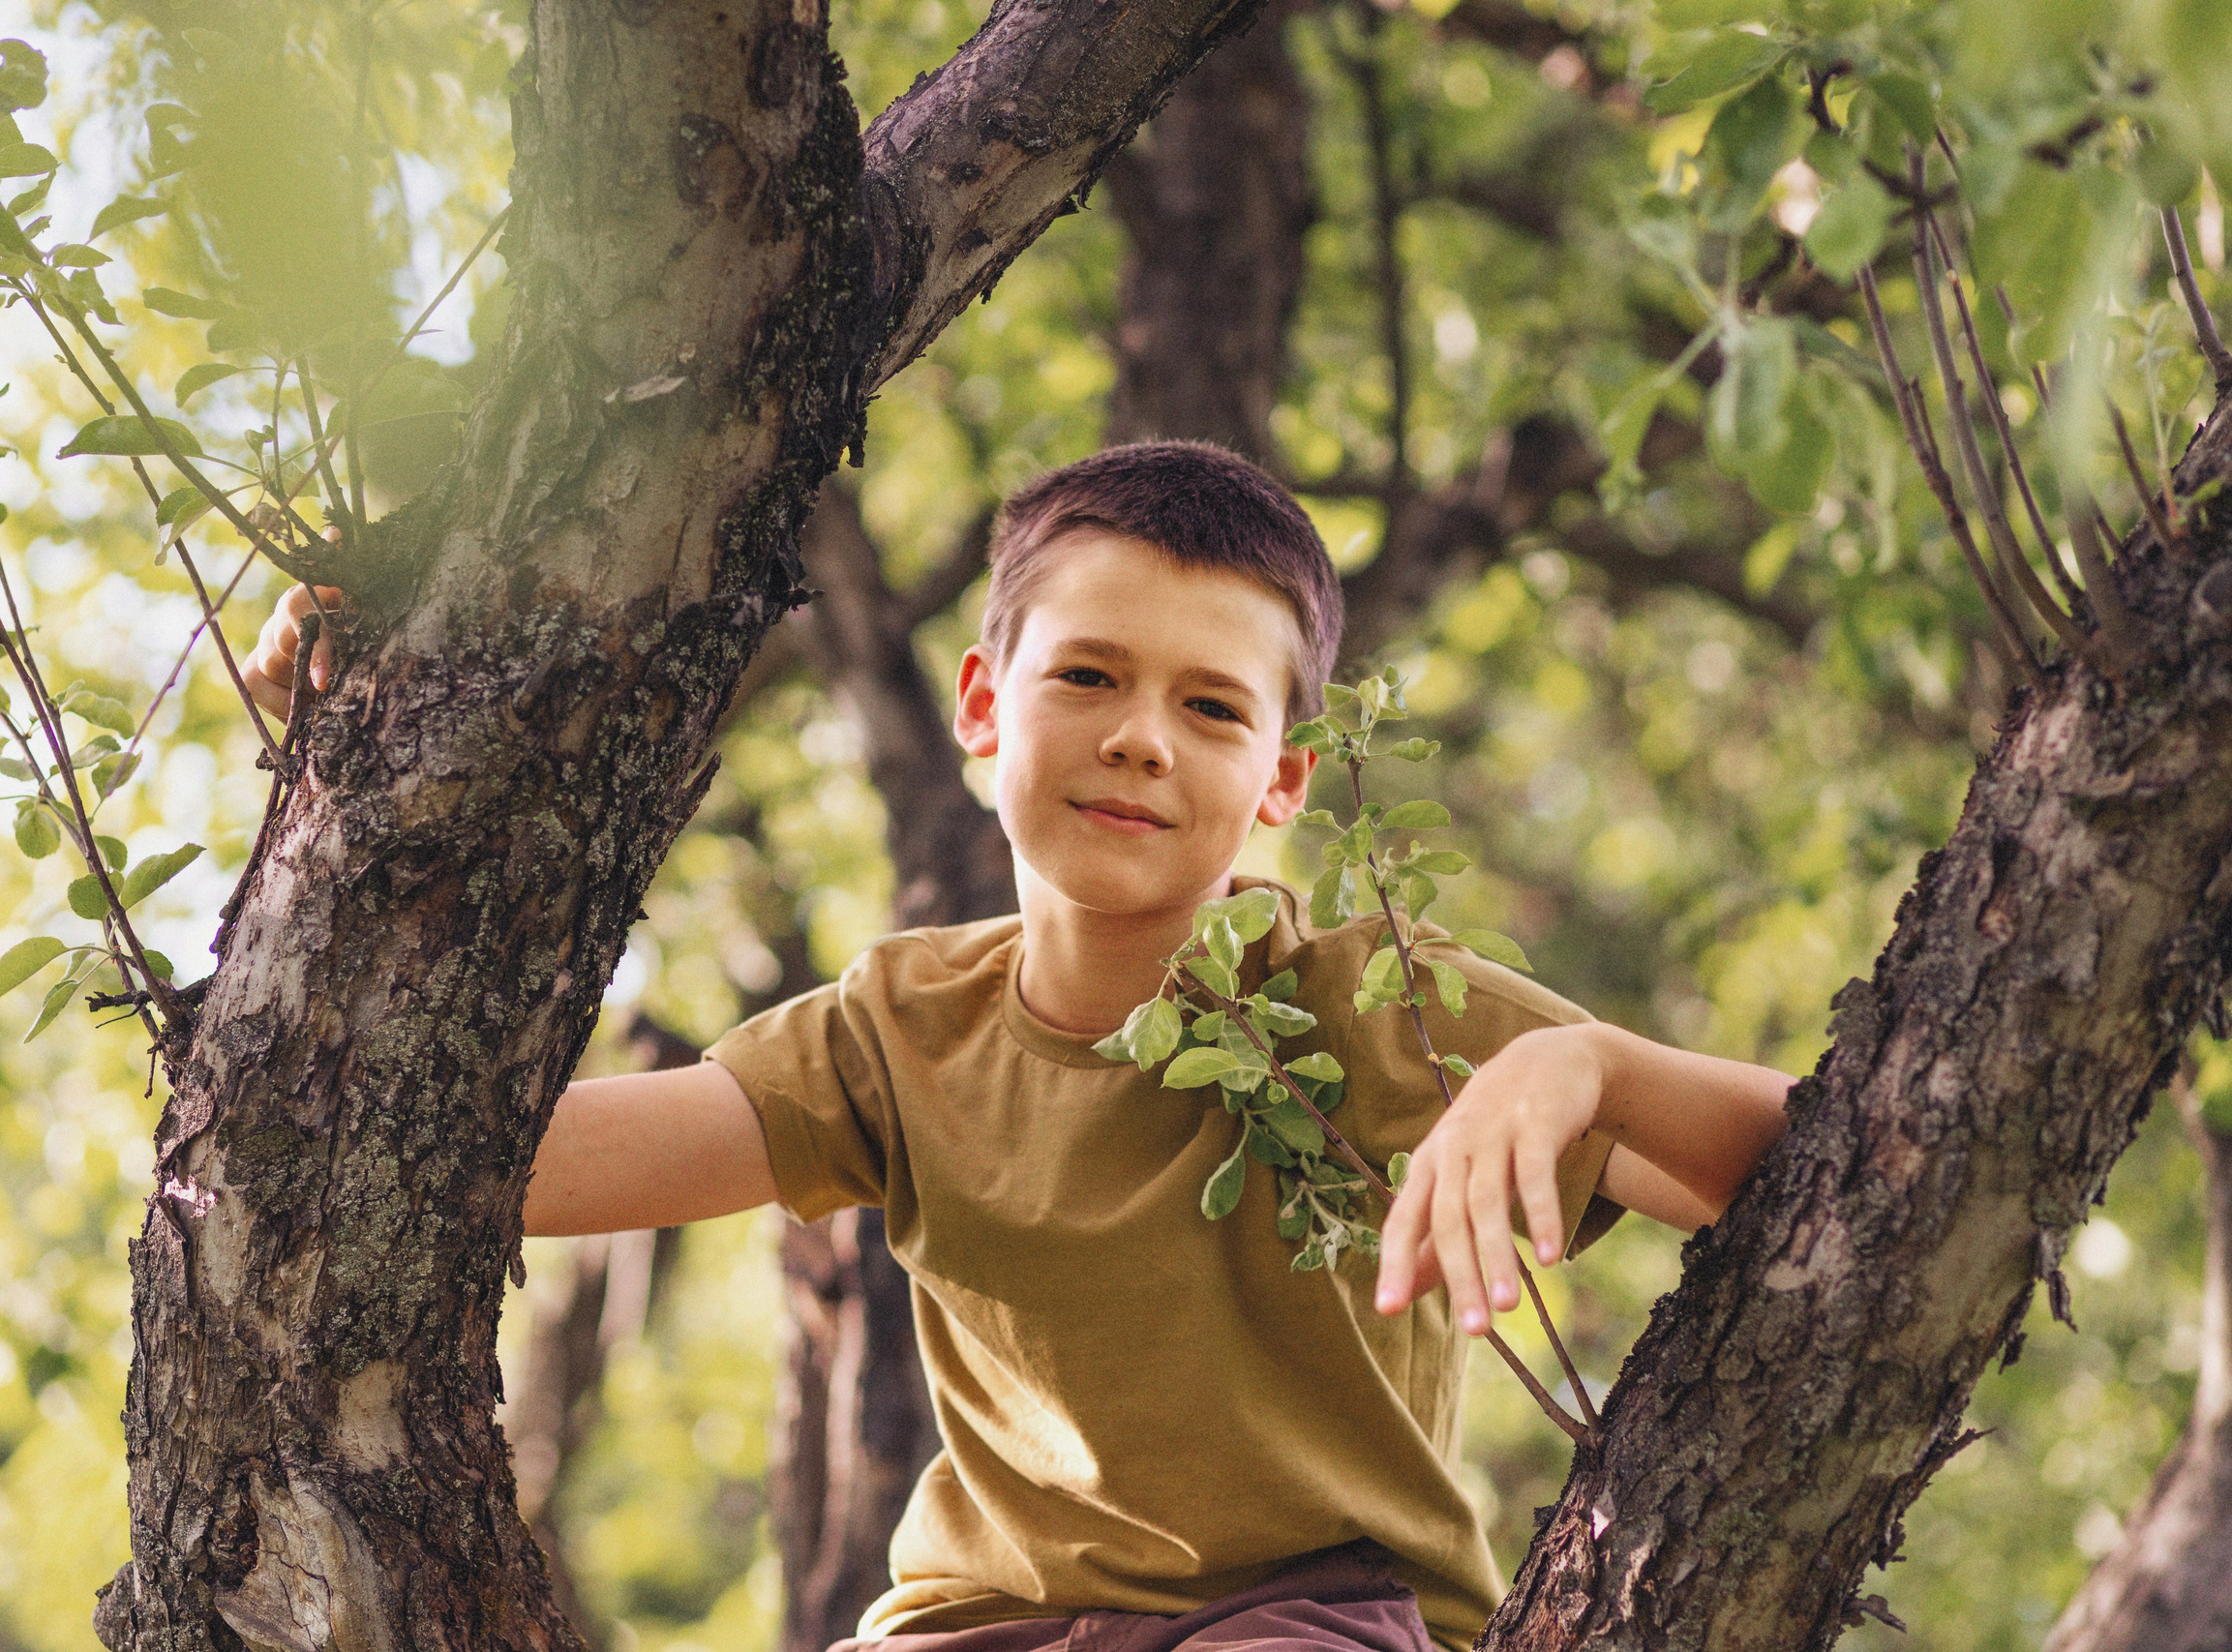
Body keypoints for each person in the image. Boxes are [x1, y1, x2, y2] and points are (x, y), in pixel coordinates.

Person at [241, 441, 1791, 1652]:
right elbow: (501, 1170)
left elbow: (1815, 1155)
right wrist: (353, 793)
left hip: (1310, 1619)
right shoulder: (900, 1032)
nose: (1139, 738)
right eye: (1090, 677)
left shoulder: (1370, 1001)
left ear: (1282, 783)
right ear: (984, 706)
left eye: (1210, 708)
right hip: (972, 1628)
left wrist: (1576, 1066)